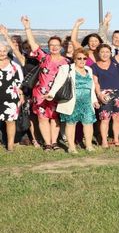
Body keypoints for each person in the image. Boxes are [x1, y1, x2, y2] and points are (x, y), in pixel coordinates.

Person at [21, 16, 70, 151]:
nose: (54, 47)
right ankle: (47, 144)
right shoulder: (44, 57)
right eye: (51, 45)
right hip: (40, 94)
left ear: (61, 47)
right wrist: (27, 27)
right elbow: (33, 44)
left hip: (57, 94)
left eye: (56, 45)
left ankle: (54, 143)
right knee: (42, 119)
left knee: (55, 118)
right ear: (48, 47)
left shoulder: (66, 61)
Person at [46, 49, 99, 153]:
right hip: (72, 102)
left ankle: (89, 146)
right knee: (71, 124)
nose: (82, 60)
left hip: (87, 102)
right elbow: (58, 82)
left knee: (88, 124)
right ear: (74, 59)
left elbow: (91, 87)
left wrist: (94, 100)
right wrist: (51, 94)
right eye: (79, 58)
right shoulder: (66, 68)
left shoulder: (89, 69)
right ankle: (71, 147)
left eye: (84, 58)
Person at [92, 42, 119, 147]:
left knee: (117, 118)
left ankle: (116, 140)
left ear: (110, 53)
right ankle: (104, 141)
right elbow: (95, 82)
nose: (105, 54)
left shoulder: (114, 61)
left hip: (118, 94)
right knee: (105, 119)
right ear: (98, 53)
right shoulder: (94, 67)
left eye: (107, 52)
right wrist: (99, 95)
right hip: (104, 95)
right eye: (102, 52)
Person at [0, 42, 24, 151]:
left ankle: (10, 146)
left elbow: (20, 83)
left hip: (11, 98)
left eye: (4, 51)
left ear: (8, 51)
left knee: (10, 122)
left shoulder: (15, 65)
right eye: (0, 51)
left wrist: (21, 95)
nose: (2, 53)